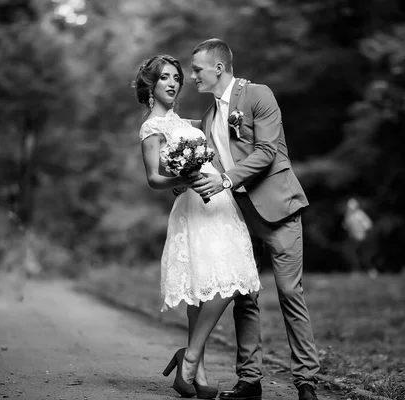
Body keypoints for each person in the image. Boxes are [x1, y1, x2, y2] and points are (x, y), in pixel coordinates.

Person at [187, 38, 321, 400]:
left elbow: (267, 152)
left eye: (197, 69)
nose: (192, 75)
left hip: (278, 209)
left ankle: (306, 382)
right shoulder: (210, 116)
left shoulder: (259, 95)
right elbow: (210, 165)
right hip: (238, 215)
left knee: (290, 292)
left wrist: (226, 180)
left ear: (219, 68)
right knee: (244, 297)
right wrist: (184, 179)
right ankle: (250, 381)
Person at [133, 54, 261, 399]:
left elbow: (218, 126)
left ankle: (195, 370)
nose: (173, 83)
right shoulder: (151, 128)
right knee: (223, 281)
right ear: (151, 85)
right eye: (165, 78)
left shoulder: (181, 120)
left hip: (219, 200)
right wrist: (184, 177)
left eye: (176, 77)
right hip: (195, 204)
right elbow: (153, 179)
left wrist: (240, 93)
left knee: (210, 284)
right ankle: (190, 361)